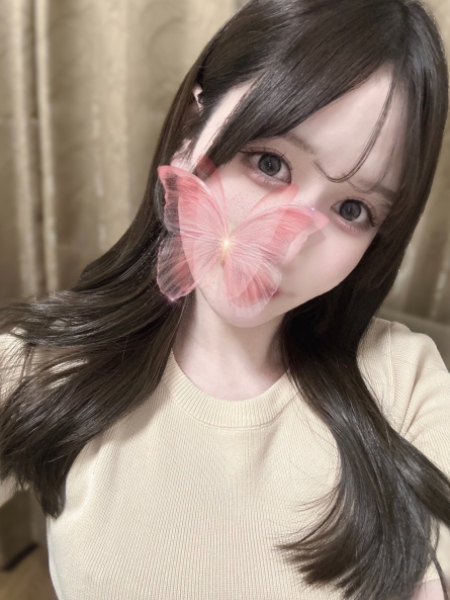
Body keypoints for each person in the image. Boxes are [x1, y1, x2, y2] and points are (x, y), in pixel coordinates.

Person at [0, 0, 449, 598]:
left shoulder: (406, 384)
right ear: (193, 131)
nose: (286, 244)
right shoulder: (44, 364)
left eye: (352, 209)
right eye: (270, 163)